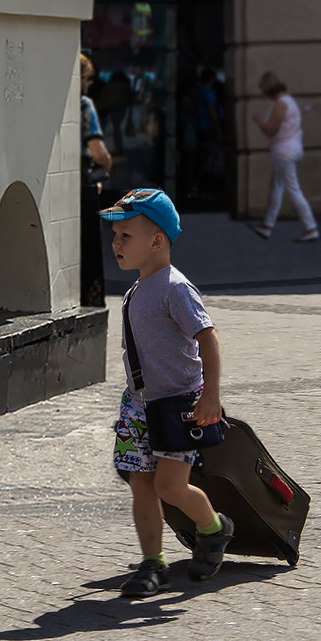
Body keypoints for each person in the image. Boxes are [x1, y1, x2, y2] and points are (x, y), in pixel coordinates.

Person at [99, 188, 234, 598]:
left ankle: (214, 528)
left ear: (156, 241)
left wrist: (210, 396)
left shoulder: (175, 288)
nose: (115, 243)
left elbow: (207, 339)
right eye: (115, 235)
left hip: (179, 405)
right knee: (141, 483)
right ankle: (152, 564)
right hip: (138, 405)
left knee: (169, 487)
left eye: (125, 235)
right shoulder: (137, 290)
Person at [249, 71, 319, 243]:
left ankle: (311, 228)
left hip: (284, 152)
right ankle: (267, 226)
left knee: (293, 189)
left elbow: (270, 130)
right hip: (290, 150)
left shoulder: (281, 104)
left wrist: (258, 121)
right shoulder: (289, 101)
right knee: (277, 188)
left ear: (268, 88)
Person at [80, 53, 113, 307]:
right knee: (89, 254)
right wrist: (106, 166)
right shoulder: (83, 105)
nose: (87, 84)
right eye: (86, 78)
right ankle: (89, 306)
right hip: (83, 188)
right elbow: (99, 152)